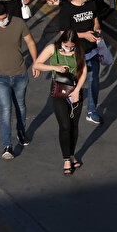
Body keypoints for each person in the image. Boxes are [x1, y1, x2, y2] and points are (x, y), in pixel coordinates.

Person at [0, 2, 39, 159]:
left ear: (8, 14)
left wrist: (36, 62)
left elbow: (31, 42)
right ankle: (7, 145)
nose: (2, 21)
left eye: (4, 17)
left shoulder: (19, 23)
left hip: (20, 74)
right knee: (5, 110)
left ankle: (21, 131)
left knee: (20, 105)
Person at [32, 30, 87, 175]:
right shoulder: (52, 49)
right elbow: (37, 64)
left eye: (71, 46)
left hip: (75, 90)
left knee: (74, 126)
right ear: (61, 41)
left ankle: (72, 154)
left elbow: (83, 72)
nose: (68, 48)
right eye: (65, 45)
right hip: (58, 90)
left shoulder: (79, 51)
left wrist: (77, 91)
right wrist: (55, 68)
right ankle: (66, 159)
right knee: (64, 126)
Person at [56, 0, 103, 124]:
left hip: (92, 52)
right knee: (73, 82)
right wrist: (84, 35)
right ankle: (71, 107)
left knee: (93, 81)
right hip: (76, 55)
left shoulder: (92, 4)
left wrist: (97, 30)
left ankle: (91, 110)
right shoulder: (67, 10)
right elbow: (63, 33)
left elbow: (95, 20)